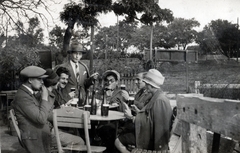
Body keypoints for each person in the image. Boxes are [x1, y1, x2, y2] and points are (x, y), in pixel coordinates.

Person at [115, 69, 173, 152]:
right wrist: (139, 112)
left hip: (150, 138)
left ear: (151, 84)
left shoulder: (160, 100)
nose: (145, 85)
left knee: (118, 141)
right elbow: (151, 117)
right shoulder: (156, 96)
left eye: (146, 83)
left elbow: (159, 128)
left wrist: (131, 117)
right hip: (148, 133)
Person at [11, 66, 53, 153]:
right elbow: (41, 119)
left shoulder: (28, 93)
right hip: (35, 138)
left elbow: (43, 113)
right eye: (39, 79)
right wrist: (44, 98)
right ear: (30, 80)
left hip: (39, 134)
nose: (42, 82)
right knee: (79, 141)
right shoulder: (22, 97)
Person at [43, 69, 85, 148]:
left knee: (76, 132)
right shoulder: (47, 94)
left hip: (52, 127)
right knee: (80, 141)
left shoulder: (53, 91)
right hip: (49, 131)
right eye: (61, 79)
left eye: (67, 79)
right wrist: (63, 109)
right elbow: (49, 114)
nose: (65, 81)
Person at [55, 40, 98, 106]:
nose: (77, 56)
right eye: (75, 53)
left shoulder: (84, 67)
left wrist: (91, 79)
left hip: (82, 100)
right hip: (67, 100)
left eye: (79, 54)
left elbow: (85, 84)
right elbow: (56, 86)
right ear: (71, 54)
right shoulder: (63, 67)